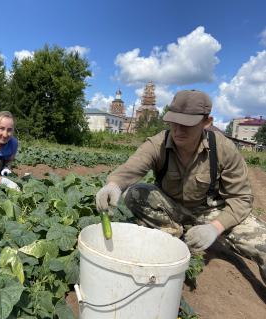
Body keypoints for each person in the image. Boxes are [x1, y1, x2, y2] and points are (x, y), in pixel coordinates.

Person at [96, 90, 266, 283]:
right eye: (174, 122)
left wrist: (214, 228)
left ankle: (199, 232)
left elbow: (241, 199)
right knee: (135, 194)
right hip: (172, 207)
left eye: (187, 125)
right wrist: (113, 185)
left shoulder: (223, 149)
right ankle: (173, 235)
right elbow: (133, 166)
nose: (178, 130)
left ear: (206, 122)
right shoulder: (159, 143)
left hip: (211, 211)